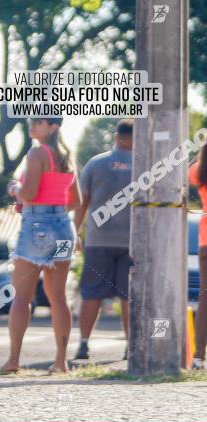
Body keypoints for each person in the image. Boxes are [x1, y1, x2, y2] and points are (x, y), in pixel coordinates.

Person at [1, 118, 80, 374]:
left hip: (37, 227)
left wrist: (16, 189)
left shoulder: (37, 153)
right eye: (30, 121)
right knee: (58, 298)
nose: (31, 126)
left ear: (52, 126)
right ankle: (61, 361)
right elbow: (75, 201)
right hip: (62, 227)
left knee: (22, 296)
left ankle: (13, 360)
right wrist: (49, 207)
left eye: (39, 122)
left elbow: (30, 193)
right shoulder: (67, 155)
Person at [74, 119, 133, 361]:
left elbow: (81, 201)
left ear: (116, 136)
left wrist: (76, 232)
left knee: (91, 293)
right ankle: (131, 346)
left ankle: (84, 344)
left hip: (98, 240)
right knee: (129, 295)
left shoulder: (96, 163)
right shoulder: (145, 164)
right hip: (132, 242)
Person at [189, 141, 207, 370]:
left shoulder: (199, 171)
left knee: (205, 298)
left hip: (205, 240)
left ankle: (198, 356)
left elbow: (191, 166)